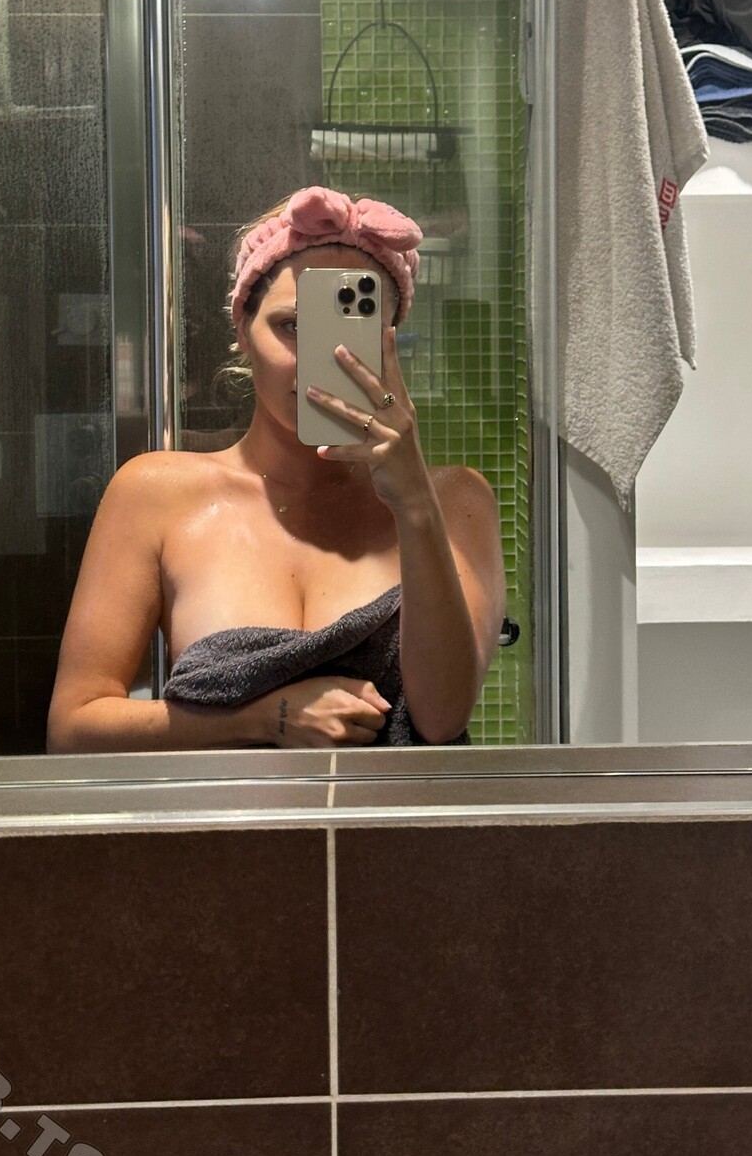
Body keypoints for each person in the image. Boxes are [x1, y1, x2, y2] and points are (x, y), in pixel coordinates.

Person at [47, 185, 506, 751]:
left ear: (390, 339)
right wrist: (264, 719)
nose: (320, 358)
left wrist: (414, 504)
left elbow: (441, 719)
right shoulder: (156, 495)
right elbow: (73, 729)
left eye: (350, 331)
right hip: (225, 812)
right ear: (243, 328)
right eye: (291, 326)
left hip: (395, 813)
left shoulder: (454, 500)